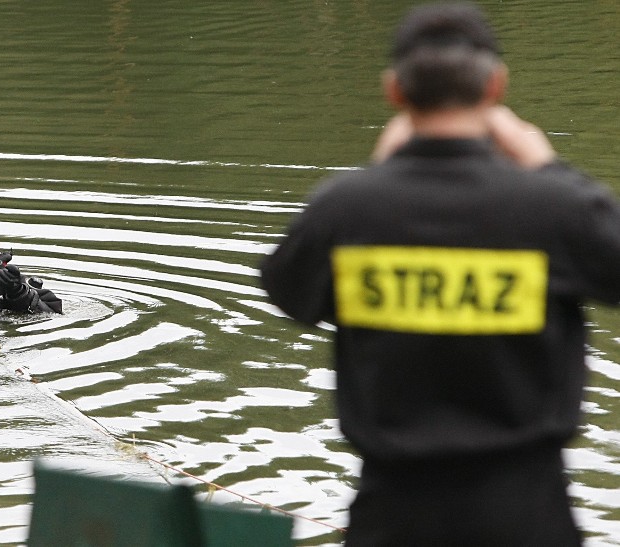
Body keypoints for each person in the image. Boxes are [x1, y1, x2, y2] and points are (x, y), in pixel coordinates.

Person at [260, 3, 620, 545]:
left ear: (394, 92)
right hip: (525, 518)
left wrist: (378, 178)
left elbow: (287, 292)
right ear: (495, 87)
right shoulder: (552, 211)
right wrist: (550, 169)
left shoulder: (346, 210)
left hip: (390, 517)